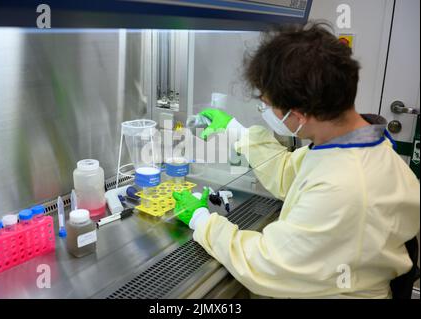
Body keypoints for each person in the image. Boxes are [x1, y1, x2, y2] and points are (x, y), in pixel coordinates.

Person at [172, 23, 420, 298]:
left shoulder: (347, 186)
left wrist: (203, 221)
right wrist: (235, 130)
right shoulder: (357, 143)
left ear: (299, 115)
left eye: (268, 106)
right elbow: (290, 174)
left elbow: (268, 265)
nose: (267, 111)